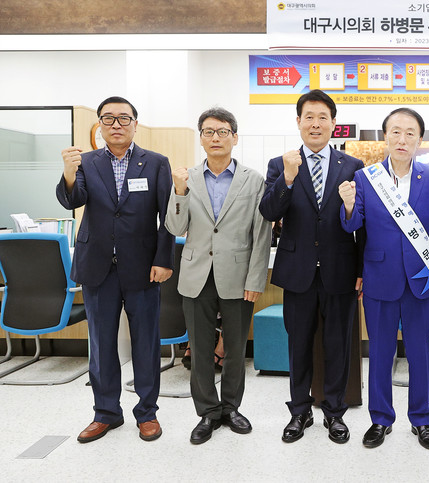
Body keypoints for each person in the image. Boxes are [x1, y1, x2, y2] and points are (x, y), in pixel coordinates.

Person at [55, 96, 174, 443]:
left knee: (146, 343)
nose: (116, 125)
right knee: (101, 343)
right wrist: (68, 172)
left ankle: (147, 413)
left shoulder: (156, 163)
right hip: (97, 266)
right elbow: (73, 200)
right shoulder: (86, 162)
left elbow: (167, 216)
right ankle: (106, 412)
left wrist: (164, 259)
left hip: (143, 267)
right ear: (100, 126)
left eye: (124, 118)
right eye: (108, 119)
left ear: (135, 124)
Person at [340, 107, 429, 450]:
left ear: (420, 139)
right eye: (396, 132)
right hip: (379, 278)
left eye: (410, 133)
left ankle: (422, 420)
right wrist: (347, 205)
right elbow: (353, 225)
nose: (402, 139)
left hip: (421, 278)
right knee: (380, 353)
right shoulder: (365, 178)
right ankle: (380, 419)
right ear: (385, 136)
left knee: (420, 354)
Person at [259, 90, 364, 444]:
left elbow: (361, 223)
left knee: (338, 345)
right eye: (309, 117)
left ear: (334, 123)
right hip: (297, 270)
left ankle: (334, 412)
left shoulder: (353, 166)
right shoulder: (280, 164)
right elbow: (269, 212)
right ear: (298, 122)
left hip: (341, 270)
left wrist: (361, 269)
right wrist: (287, 179)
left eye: (322, 117)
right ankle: (300, 411)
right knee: (299, 345)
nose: (315, 124)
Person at [165, 107, 271, 444]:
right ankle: (208, 412)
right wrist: (179, 191)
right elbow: (175, 227)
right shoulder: (187, 178)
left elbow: (261, 233)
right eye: (209, 132)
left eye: (223, 131)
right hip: (196, 274)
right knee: (199, 349)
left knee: (236, 348)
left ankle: (231, 408)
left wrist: (255, 279)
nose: (215, 137)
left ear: (234, 138)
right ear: (201, 138)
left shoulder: (253, 180)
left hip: (238, 275)